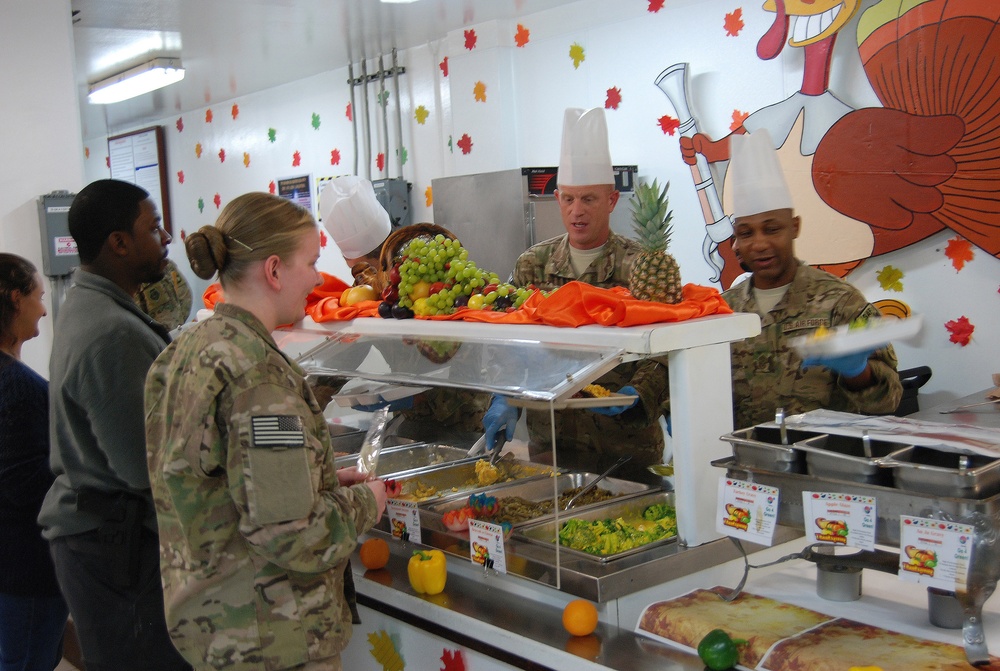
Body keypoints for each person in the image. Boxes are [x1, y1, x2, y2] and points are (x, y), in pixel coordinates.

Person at [145, 192, 388, 671]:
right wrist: (366, 503)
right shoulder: (256, 375)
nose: (319, 278)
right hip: (271, 640)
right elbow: (292, 534)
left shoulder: (186, 349)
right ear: (274, 271)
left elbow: (213, 481)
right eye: (312, 262)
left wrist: (316, 481)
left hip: (213, 626)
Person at [36, 179, 190, 671]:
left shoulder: (92, 304)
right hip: (112, 545)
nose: (166, 237)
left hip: (104, 538)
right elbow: (146, 467)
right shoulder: (110, 333)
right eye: (153, 226)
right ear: (118, 243)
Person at [486, 108, 670, 479]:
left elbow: (666, 349)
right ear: (557, 198)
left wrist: (641, 393)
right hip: (552, 444)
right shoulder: (532, 265)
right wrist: (502, 395)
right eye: (568, 199)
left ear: (612, 200)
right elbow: (510, 343)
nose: (576, 211)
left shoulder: (644, 266)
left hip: (627, 447)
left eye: (589, 199)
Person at [721, 129, 903, 428]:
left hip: (821, 461)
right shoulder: (724, 311)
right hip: (745, 462)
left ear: (794, 227)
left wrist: (857, 372)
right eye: (746, 233)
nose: (760, 244)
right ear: (736, 242)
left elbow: (889, 401)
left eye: (772, 229)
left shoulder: (840, 301)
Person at [319, 176, 490, 445]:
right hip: (413, 420)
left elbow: (462, 354)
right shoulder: (366, 290)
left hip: (464, 417)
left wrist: (411, 394)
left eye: (360, 267)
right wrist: (307, 401)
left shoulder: (428, 272)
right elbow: (346, 350)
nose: (367, 278)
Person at [0, 254, 68, 671]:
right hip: (26, 570)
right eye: (38, 296)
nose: (44, 308)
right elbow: (27, 485)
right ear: (14, 298)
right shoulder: (20, 389)